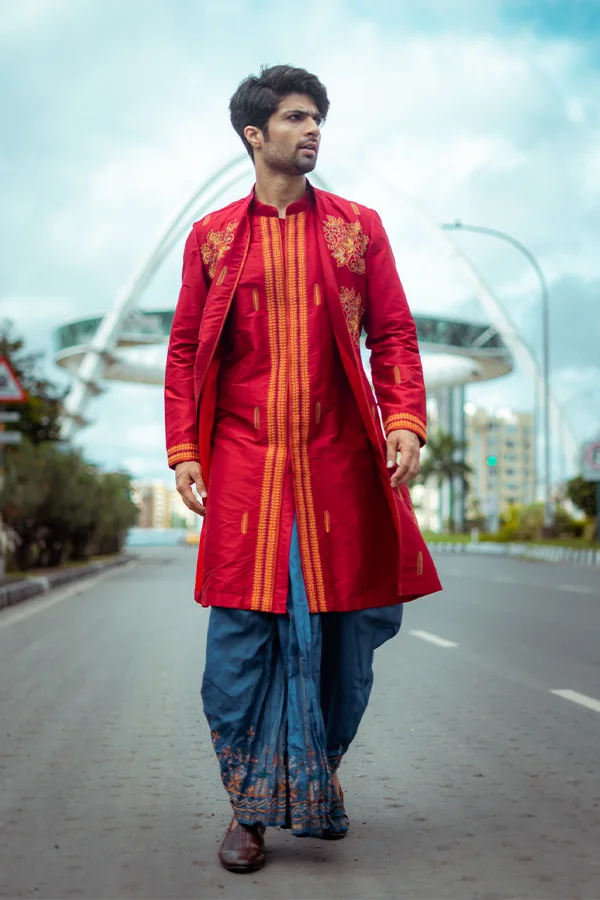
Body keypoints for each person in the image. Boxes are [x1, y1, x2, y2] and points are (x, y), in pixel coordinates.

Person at [164, 64, 441, 873]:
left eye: (318, 117)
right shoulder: (213, 237)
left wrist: (407, 422)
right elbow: (185, 350)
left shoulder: (358, 228)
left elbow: (392, 333)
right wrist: (185, 446)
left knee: (345, 639)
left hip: (341, 467)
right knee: (239, 645)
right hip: (247, 467)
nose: (312, 128)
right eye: (294, 117)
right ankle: (248, 811)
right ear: (255, 135)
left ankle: (315, 775)